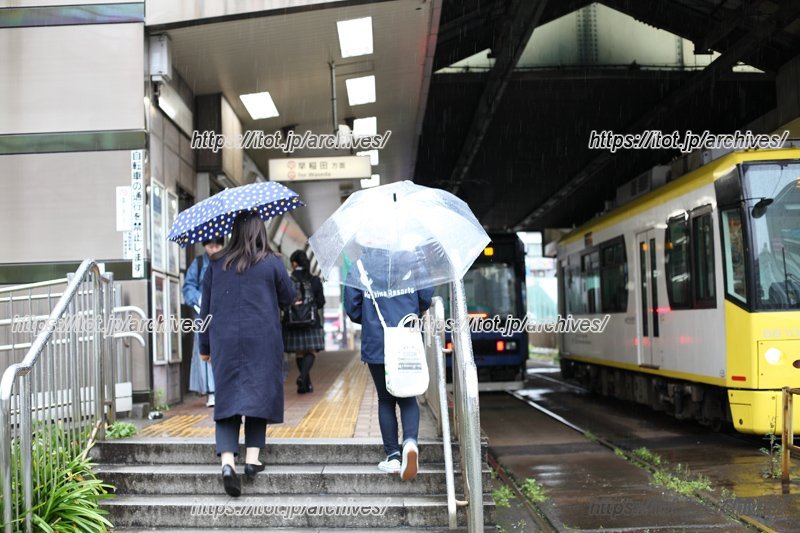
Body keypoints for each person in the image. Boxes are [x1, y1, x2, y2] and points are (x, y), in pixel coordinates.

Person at [199, 212, 294, 498]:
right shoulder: (272, 262)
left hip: (224, 340)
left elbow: (205, 311)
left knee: (227, 396)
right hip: (262, 339)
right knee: (258, 391)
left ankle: (228, 462)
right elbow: (288, 298)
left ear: (234, 232)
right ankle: (252, 459)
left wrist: (205, 348)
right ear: (260, 231)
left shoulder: (216, 264)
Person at [344, 260, 433, 481]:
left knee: (385, 399)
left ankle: (393, 456)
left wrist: (370, 316)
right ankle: (410, 443)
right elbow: (425, 298)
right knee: (407, 395)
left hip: (377, 341)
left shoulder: (361, 265)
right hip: (406, 338)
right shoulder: (414, 260)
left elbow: (353, 309)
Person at [182, 237, 224, 407]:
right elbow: (188, 287)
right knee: (205, 352)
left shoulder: (228, 261)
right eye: (210, 245)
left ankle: (221, 390)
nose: (213, 249)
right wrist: (198, 299)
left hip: (222, 314)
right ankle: (211, 392)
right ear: (204, 245)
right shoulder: (198, 263)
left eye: (217, 245)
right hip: (202, 316)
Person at [283, 250, 326, 394]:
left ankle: (305, 384)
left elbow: (284, 301)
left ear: (294, 264)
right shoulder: (314, 280)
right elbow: (321, 302)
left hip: (293, 322)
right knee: (311, 351)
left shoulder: (288, 280)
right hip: (311, 321)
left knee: (300, 353)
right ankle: (302, 378)